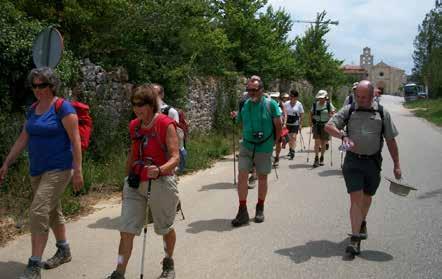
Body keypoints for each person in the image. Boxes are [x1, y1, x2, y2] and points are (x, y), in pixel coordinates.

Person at [0, 67, 83, 279]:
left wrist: (77, 171)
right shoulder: (33, 109)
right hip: (36, 170)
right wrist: (7, 162)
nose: (38, 90)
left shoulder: (63, 108)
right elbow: (23, 139)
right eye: (34, 86)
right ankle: (64, 250)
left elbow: (75, 141)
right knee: (52, 210)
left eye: (42, 85)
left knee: (38, 211)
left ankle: (34, 265)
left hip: (59, 168)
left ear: (52, 85)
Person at [106, 84, 180, 279]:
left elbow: (175, 157)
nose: (137, 108)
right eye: (134, 104)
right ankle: (119, 271)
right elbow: (132, 154)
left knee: (165, 228)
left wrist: (160, 170)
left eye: (141, 104)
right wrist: (125, 180)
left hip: (161, 183)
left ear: (151, 105)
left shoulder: (165, 124)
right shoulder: (134, 126)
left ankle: (168, 261)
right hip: (135, 182)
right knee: (126, 229)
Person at [325, 80, 402, 256]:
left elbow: (391, 140)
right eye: (357, 96)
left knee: (367, 198)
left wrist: (397, 164)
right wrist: (342, 136)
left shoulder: (382, 113)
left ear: (373, 95)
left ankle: (361, 222)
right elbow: (329, 126)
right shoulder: (349, 110)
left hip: (373, 162)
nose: (360, 100)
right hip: (352, 160)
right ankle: (355, 238)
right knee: (356, 199)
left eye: (364, 97)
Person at [230, 76, 282, 226]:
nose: (251, 92)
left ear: (261, 90)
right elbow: (239, 121)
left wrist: (275, 142)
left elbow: (278, 125)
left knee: (262, 177)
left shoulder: (270, 104)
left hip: (264, 146)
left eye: (254, 90)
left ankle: (260, 207)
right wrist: (234, 117)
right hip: (247, 145)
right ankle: (242, 210)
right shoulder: (245, 104)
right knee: (242, 176)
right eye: (249, 90)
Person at [152, 83, 187, 174]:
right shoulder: (146, 111)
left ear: (162, 95)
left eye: (156, 94)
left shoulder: (170, 111)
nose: (153, 96)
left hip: (168, 152)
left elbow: (175, 134)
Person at [310, 90, 335, 167]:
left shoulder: (328, 104)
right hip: (317, 124)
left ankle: (322, 157)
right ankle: (316, 158)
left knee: (324, 143)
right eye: (319, 98)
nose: (321, 99)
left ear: (325, 97)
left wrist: (331, 116)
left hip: (325, 125)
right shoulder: (315, 105)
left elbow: (333, 112)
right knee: (317, 142)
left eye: (322, 98)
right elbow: (311, 113)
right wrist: (311, 122)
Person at [283, 89, 304, 160]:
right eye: (290, 96)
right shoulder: (286, 103)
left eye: (292, 96)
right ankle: (290, 149)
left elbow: (301, 115)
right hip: (287, 123)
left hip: (295, 123)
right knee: (289, 138)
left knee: (294, 137)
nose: (290, 97)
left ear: (296, 97)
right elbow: (284, 113)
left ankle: (293, 151)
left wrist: (300, 124)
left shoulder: (299, 104)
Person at [270, 92, 286, 167]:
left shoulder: (281, 104)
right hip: (270, 126)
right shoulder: (268, 104)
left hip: (279, 126)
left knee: (278, 143)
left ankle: (277, 157)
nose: (274, 98)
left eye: (275, 97)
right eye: (272, 97)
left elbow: (285, 114)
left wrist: (284, 124)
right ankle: (269, 157)